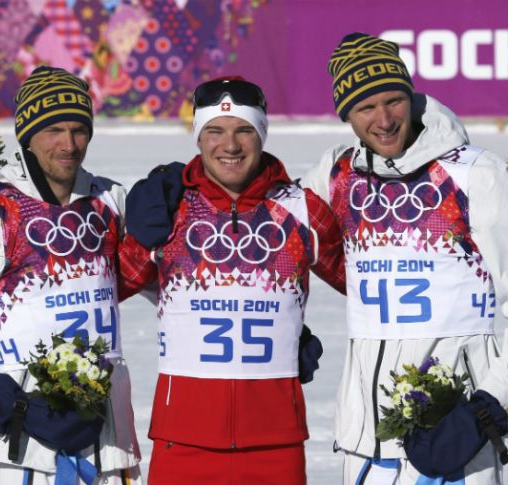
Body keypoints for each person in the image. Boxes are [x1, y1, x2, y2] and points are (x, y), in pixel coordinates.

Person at [300, 33, 508, 484]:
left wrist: (489, 405)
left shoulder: (476, 175)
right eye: (365, 108)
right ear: (346, 115)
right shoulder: (336, 174)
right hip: (365, 444)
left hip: (456, 439)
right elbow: (269, 235)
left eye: (393, 101)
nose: (383, 119)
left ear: (411, 96)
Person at [0, 66, 143, 484]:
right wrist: (1, 395)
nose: (69, 144)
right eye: (54, 130)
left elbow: (167, 284)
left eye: (79, 129)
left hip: (111, 447)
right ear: (26, 134)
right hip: (28, 447)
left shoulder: (110, 200)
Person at [120, 77, 346, 484]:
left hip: (275, 444)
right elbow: (101, 286)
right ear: (198, 138)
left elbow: (365, 279)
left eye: (244, 129)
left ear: (261, 134)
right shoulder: (168, 210)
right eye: (215, 131)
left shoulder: (301, 211)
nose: (230, 145)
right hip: (182, 442)